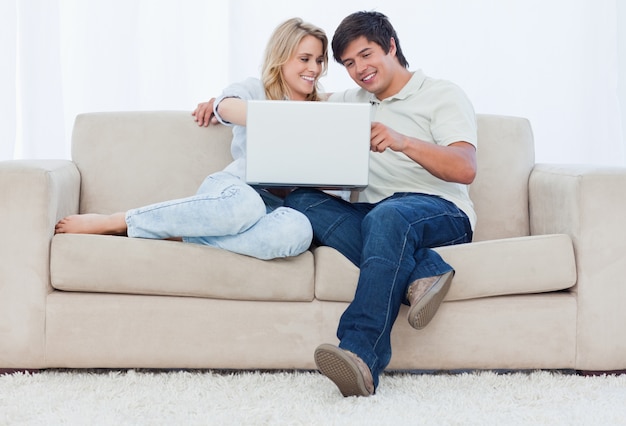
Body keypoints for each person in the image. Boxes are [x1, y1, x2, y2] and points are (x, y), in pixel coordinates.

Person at [283, 11, 478, 397]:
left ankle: (360, 355)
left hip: (441, 211)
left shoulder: (442, 94)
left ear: (391, 46)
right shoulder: (352, 101)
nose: (360, 70)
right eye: (349, 64)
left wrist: (403, 141)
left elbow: (465, 168)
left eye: (366, 55)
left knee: (387, 216)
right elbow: (290, 98)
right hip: (379, 217)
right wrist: (224, 102)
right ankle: (424, 270)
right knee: (303, 199)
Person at [55, 18, 329, 261]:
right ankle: (119, 221)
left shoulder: (324, 109)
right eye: (304, 59)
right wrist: (289, 118)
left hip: (277, 208)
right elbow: (225, 106)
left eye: (319, 60)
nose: (314, 68)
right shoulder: (256, 89)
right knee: (246, 207)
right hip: (235, 191)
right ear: (281, 58)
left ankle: (181, 234)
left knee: (298, 232)